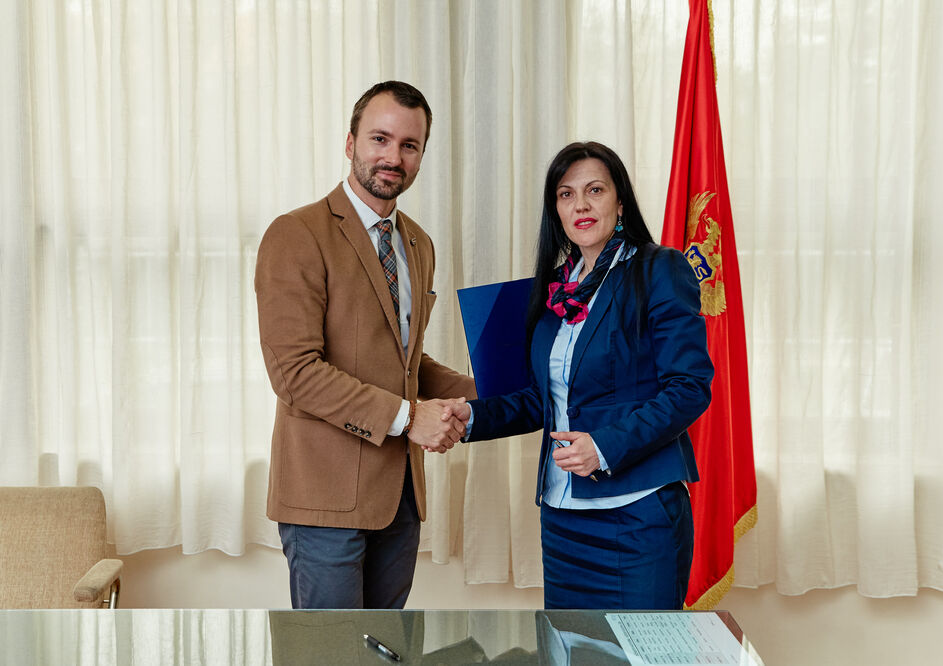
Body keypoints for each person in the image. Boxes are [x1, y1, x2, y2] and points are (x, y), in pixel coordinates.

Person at [445, 141, 714, 609]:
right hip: (563, 520)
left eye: (595, 190)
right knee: (571, 653)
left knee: (642, 658)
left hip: (637, 517)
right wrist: (468, 417)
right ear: (556, 210)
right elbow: (540, 400)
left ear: (620, 202)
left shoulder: (660, 270)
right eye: (566, 194)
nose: (581, 204)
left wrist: (605, 445)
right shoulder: (554, 292)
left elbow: (689, 387)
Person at [254, 81, 475, 609]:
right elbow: (295, 373)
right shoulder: (296, 234)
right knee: (331, 654)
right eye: (380, 139)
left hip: (398, 500)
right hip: (323, 502)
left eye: (409, 145)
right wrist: (408, 418)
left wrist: (496, 385)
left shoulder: (418, 243)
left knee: (385, 650)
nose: (392, 157)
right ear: (350, 143)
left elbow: (403, 361)